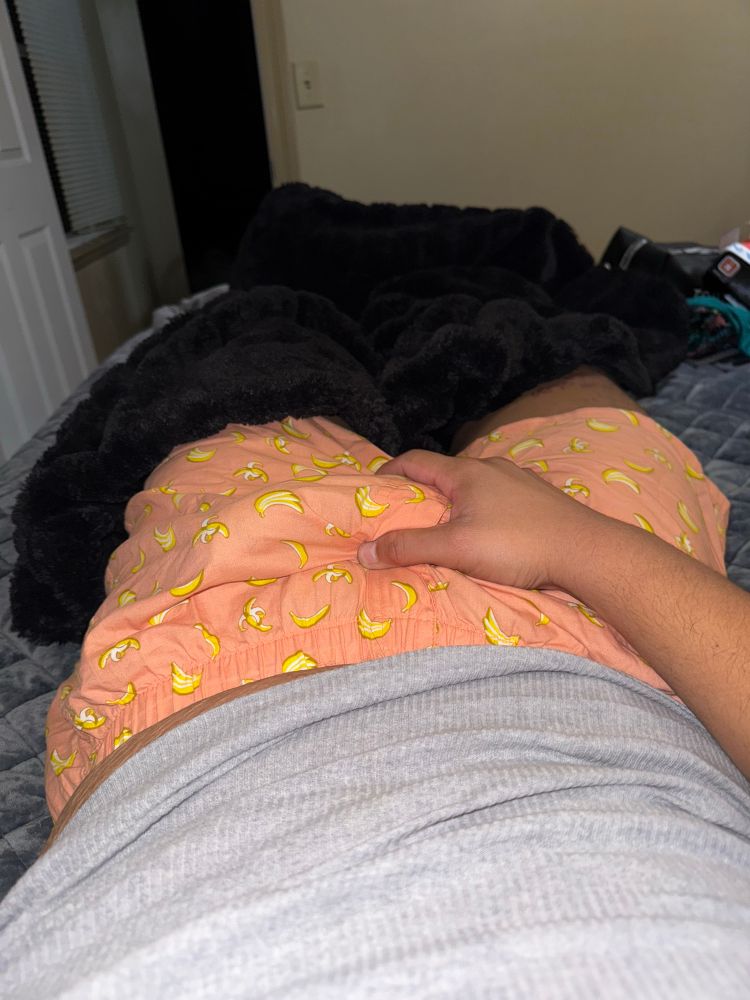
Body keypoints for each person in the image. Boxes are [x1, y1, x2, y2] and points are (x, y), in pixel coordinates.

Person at [2, 366, 750, 997]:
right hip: (626, 630)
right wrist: (573, 542)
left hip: (215, 651)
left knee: (261, 374)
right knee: (560, 372)